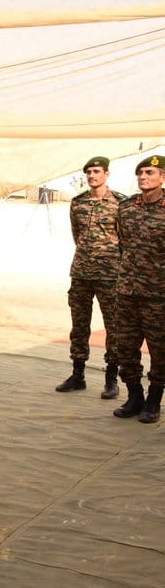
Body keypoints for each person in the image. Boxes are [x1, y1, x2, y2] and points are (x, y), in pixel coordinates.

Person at [55, 156, 123, 398]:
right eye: (89, 172)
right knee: (79, 326)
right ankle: (78, 375)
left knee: (113, 327)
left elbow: (124, 239)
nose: (92, 176)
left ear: (106, 174)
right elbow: (77, 236)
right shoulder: (78, 203)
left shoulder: (120, 203)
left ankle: (111, 379)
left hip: (110, 275)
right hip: (81, 274)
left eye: (97, 171)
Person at [112, 154, 165, 423]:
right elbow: (122, 245)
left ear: (162, 178)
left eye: (150, 173)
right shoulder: (126, 208)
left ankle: (154, 401)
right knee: (125, 347)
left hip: (158, 296)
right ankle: (135, 396)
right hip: (127, 293)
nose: (143, 177)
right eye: (141, 173)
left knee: (160, 351)